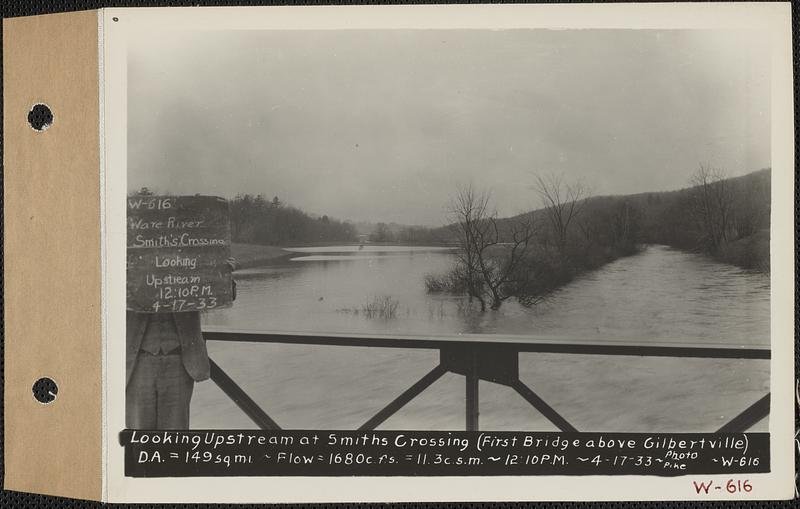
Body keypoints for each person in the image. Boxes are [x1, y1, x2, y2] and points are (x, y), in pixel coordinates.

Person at [126, 258, 237, 429]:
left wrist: (222, 274)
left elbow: (226, 295)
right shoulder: (129, 248)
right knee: (139, 437)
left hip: (179, 361)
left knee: (175, 438)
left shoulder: (189, 254)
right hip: (138, 362)